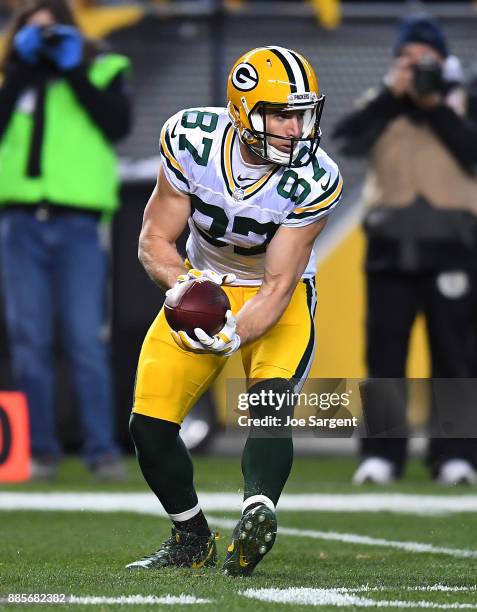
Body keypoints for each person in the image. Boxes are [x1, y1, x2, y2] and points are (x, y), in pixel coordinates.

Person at [127, 46, 343, 575]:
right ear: (244, 111)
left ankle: (258, 510)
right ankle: (191, 538)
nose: (296, 129)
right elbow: (155, 239)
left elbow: (278, 284)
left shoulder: (317, 177)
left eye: (302, 114)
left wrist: (230, 334)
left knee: (269, 406)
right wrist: (187, 292)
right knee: (149, 426)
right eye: (282, 114)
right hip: (203, 284)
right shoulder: (192, 140)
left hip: (278, 300)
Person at [333, 16, 477, 485]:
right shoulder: (379, 103)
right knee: (385, 356)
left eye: (424, 60)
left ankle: (455, 455)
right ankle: (382, 455)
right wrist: (391, 96)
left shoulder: (465, 102)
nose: (415, 70)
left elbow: (470, 152)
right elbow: (346, 139)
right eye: (406, 60)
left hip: (452, 246)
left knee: (455, 355)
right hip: (389, 248)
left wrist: (435, 104)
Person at [0, 0, 132, 480]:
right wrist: (20, 70)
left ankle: (102, 450)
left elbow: (117, 125)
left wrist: (72, 69)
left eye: (52, 32)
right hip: (18, 223)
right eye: (33, 33)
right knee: (29, 341)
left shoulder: (102, 69)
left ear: (73, 33)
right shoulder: (11, 81)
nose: (45, 40)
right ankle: (41, 451)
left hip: (78, 224)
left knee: (84, 339)